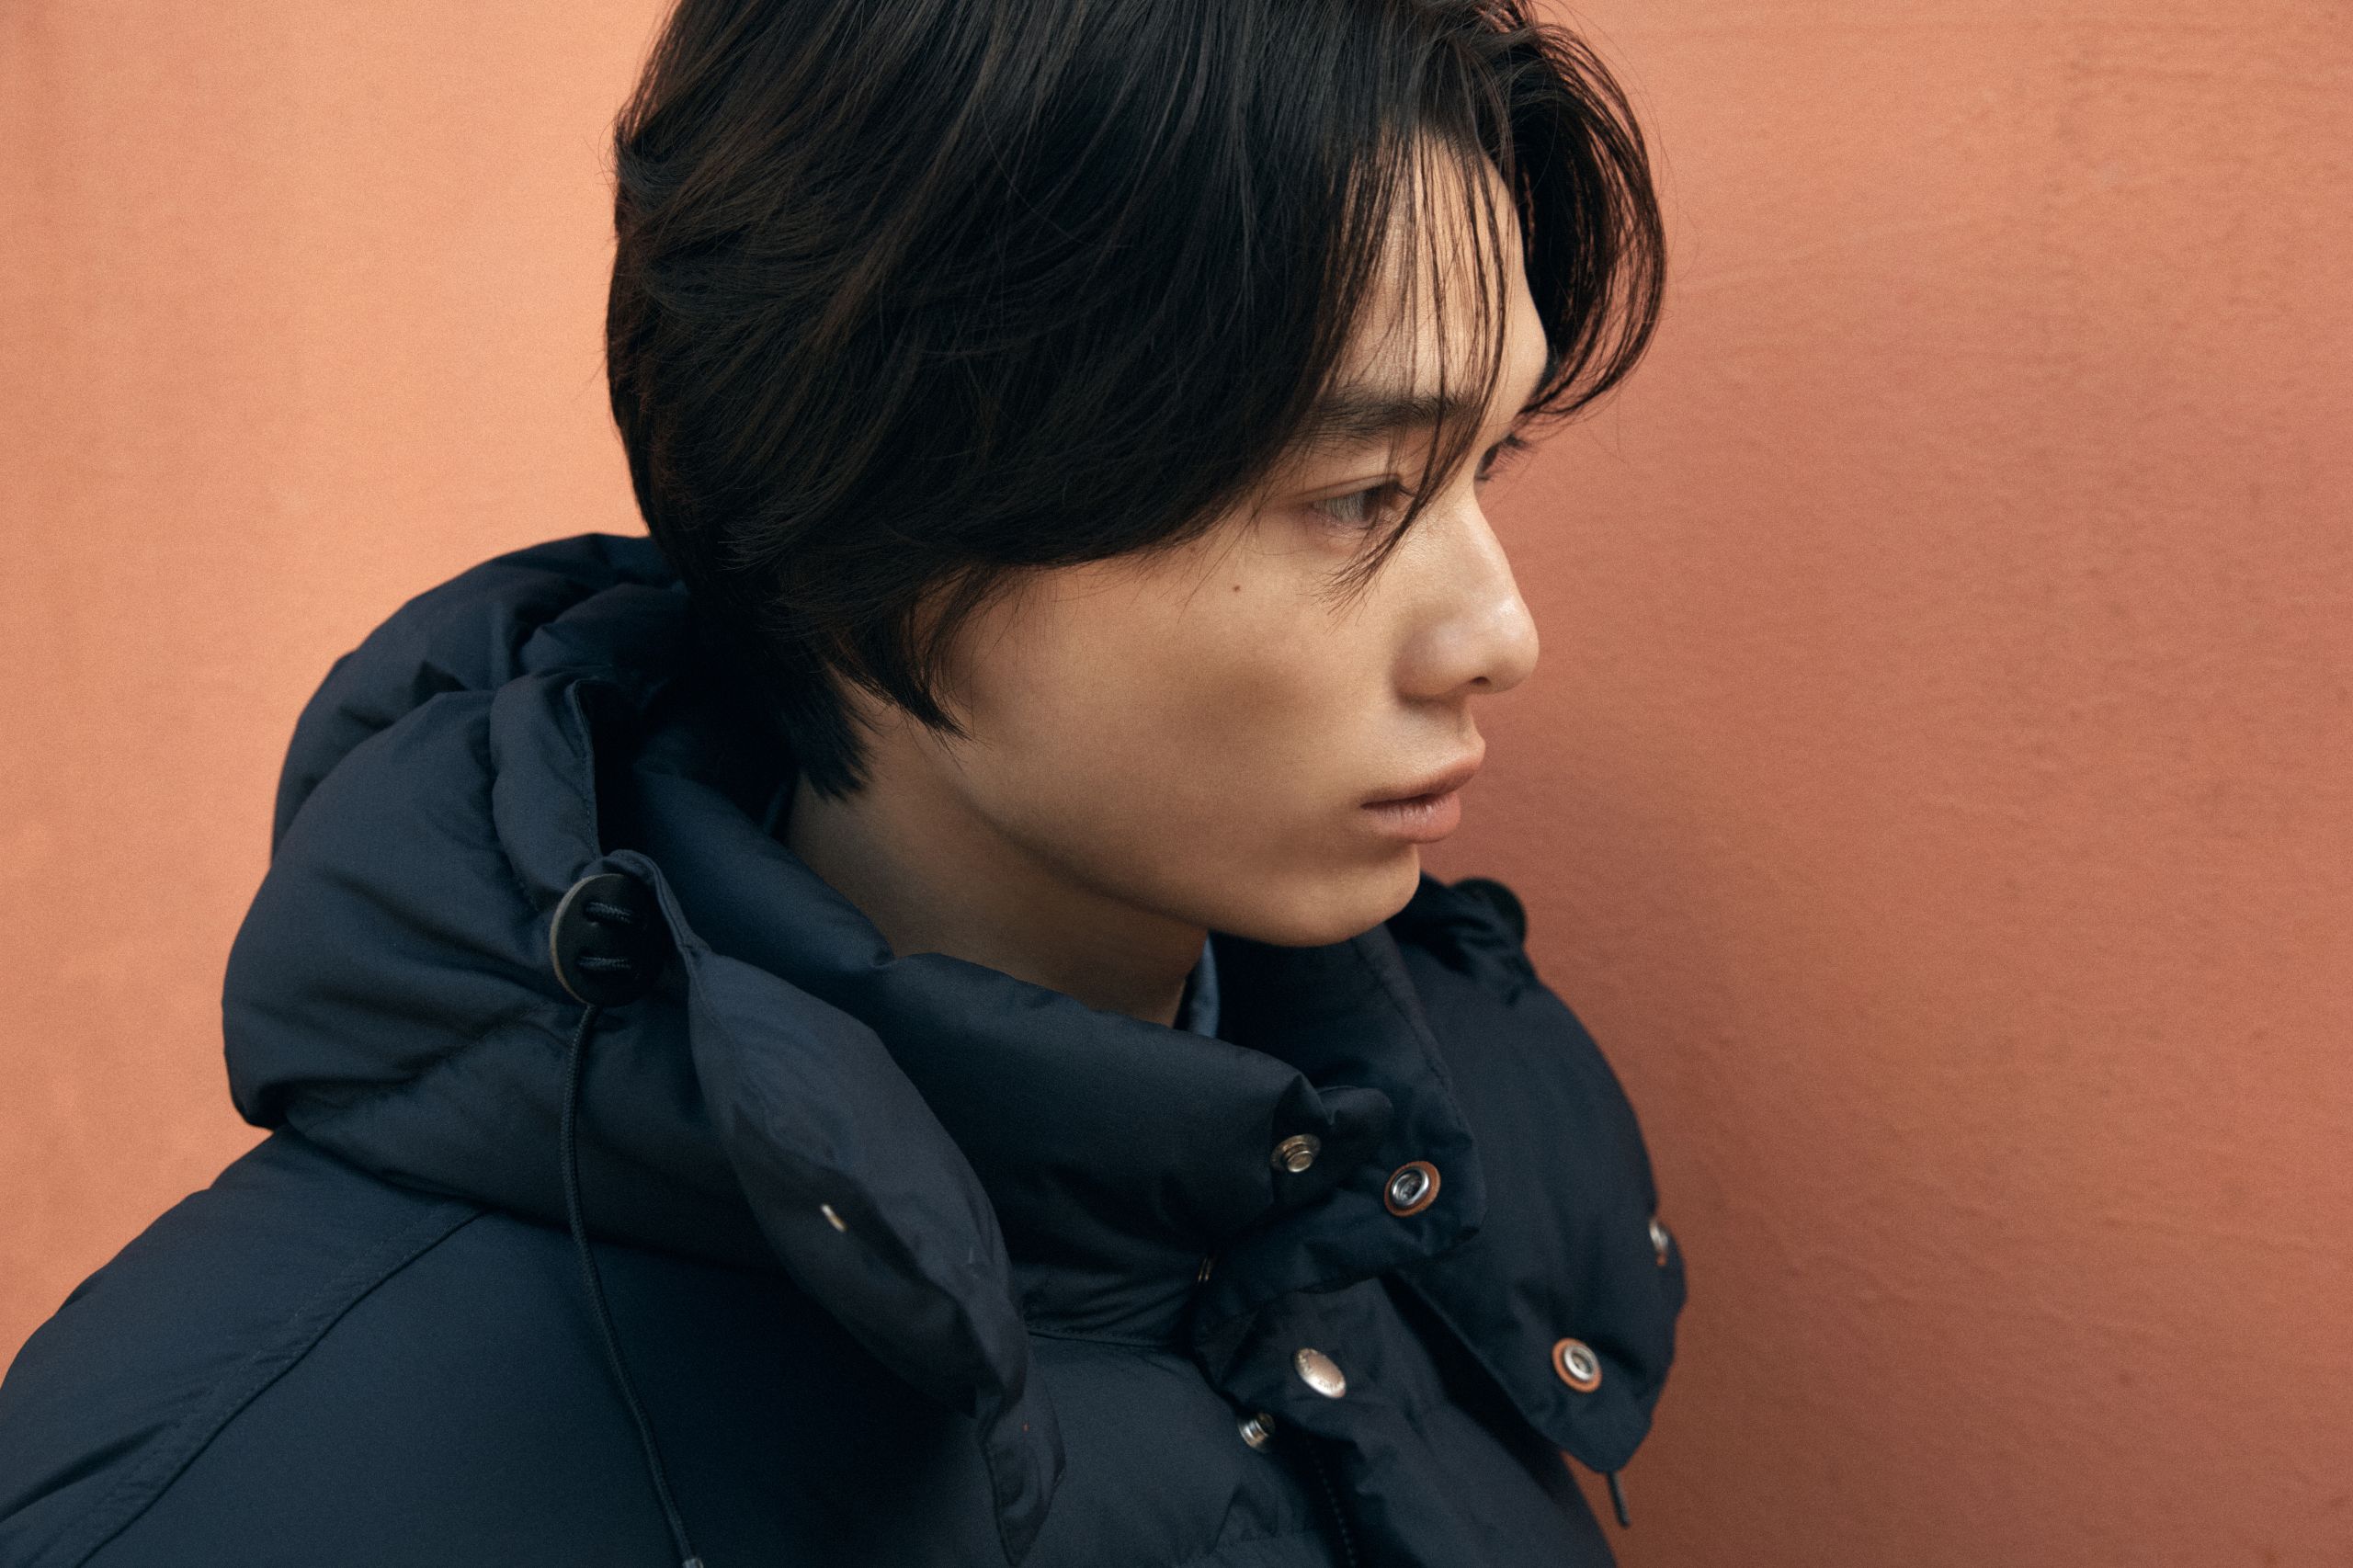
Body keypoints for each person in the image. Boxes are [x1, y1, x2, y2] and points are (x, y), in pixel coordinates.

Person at [0, 2, 1685, 1563]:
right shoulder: (219, 1486)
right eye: (1361, 492)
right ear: (892, 501)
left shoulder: (1429, 1165)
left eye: (1487, 462)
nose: (1501, 634)